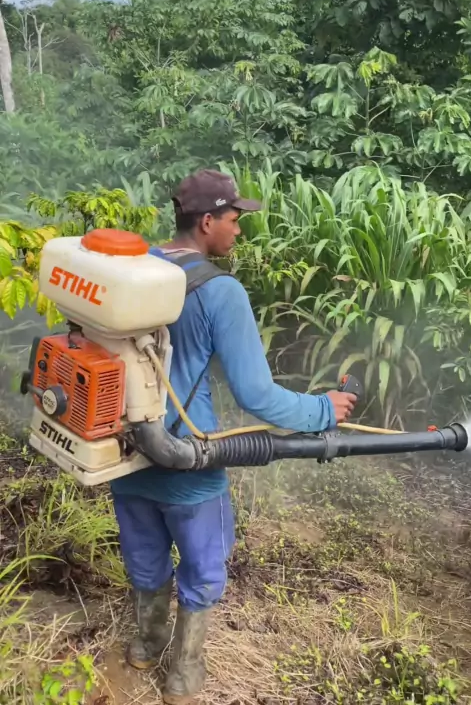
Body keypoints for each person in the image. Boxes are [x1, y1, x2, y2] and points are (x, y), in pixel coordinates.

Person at [110, 169, 357, 705]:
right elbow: (256, 395)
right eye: (234, 219)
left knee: (145, 555)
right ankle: (183, 673)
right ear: (207, 222)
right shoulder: (220, 291)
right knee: (202, 566)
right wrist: (322, 408)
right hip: (189, 462)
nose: (239, 230)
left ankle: (145, 646)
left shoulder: (132, 269)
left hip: (122, 455)